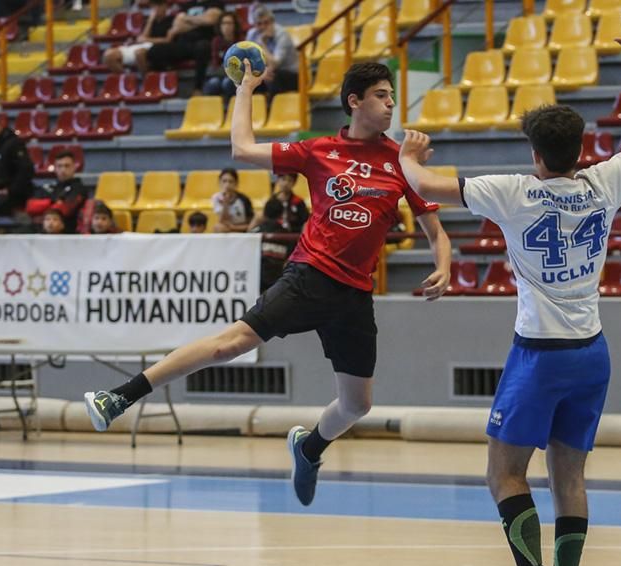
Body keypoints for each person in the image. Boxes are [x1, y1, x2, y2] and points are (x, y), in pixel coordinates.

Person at [397, 11, 621, 566]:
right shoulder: (605, 182)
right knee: (569, 476)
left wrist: (408, 152)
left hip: (539, 355)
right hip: (592, 352)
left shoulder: (513, 192)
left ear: (536, 154)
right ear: (580, 149)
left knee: (503, 472)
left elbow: (425, 185)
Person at [83, 62, 452, 511]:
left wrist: (444, 266)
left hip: (355, 295)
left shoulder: (400, 161)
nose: (391, 103)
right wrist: (246, 88)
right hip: (308, 276)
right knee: (228, 345)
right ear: (355, 101)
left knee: (356, 406)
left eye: (392, 95)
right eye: (381, 95)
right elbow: (241, 149)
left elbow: (435, 230)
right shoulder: (318, 150)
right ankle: (118, 397)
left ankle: (310, 447)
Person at [144, 0, 222, 89]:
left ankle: (198, 88)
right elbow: (177, 26)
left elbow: (211, 20)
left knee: (202, 47)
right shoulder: (187, 5)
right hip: (183, 43)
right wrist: (201, 21)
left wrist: (186, 18)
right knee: (154, 50)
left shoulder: (215, 3)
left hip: (204, 41)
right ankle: (165, 84)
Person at [102, 0, 172, 74]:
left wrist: (147, 39)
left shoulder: (171, 20)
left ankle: (148, 79)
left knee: (139, 54)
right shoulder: (148, 22)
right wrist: (150, 21)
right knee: (108, 55)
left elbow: (168, 40)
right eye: (153, 6)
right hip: (142, 45)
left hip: (155, 48)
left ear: (165, 6)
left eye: (159, 6)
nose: (156, 9)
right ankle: (127, 79)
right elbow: (142, 38)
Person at [28, 149, 87, 233]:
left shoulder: (79, 188)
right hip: (41, 231)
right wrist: (52, 202)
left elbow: (65, 210)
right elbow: (30, 207)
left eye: (67, 166)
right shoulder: (49, 187)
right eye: (59, 166)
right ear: (55, 168)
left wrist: (43, 206)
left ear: (74, 167)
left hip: (68, 232)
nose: (63, 170)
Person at [246, 6, 298, 98]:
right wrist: (260, 73)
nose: (263, 27)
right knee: (242, 79)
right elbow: (247, 61)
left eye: (266, 23)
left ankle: (271, 109)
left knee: (274, 77)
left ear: (272, 22)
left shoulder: (282, 35)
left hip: (290, 74)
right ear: (255, 25)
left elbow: (275, 64)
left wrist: (262, 44)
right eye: (259, 24)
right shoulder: (252, 34)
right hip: (265, 72)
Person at [201, 11, 243, 98]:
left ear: (235, 26)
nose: (226, 26)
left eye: (229, 23)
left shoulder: (241, 41)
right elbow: (215, 65)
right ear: (220, 26)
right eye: (223, 23)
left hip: (237, 77)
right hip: (220, 74)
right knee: (213, 83)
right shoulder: (216, 41)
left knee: (227, 83)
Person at [211, 167, 253, 231]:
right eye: (224, 181)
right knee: (217, 227)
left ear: (236, 183)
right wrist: (226, 203)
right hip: (226, 228)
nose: (227, 185)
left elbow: (251, 224)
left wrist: (233, 227)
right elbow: (222, 221)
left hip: (241, 228)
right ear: (219, 182)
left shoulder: (244, 199)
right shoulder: (216, 197)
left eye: (231, 181)